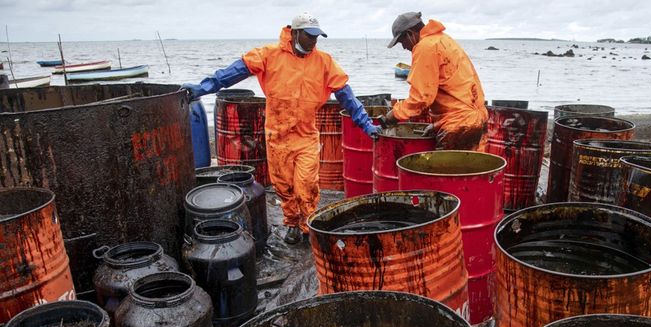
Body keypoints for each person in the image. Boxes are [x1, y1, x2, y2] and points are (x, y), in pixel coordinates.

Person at [183, 12, 381, 244]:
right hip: (277, 136)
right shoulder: (268, 55)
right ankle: (291, 223)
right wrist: (201, 88)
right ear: (295, 33)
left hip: (306, 136)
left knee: (307, 185)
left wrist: (367, 124)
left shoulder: (324, 62)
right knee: (284, 186)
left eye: (317, 37)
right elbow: (229, 74)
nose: (314, 41)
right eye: (309, 36)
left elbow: (346, 95)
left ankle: (309, 227)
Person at [381, 12, 488, 151]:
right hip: (477, 119)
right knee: (473, 171)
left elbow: (421, 98)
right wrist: (436, 125)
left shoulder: (425, 48)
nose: (404, 47)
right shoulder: (444, 40)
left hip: (457, 126)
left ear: (410, 33)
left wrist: (393, 115)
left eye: (402, 41)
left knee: (446, 171)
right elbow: (457, 90)